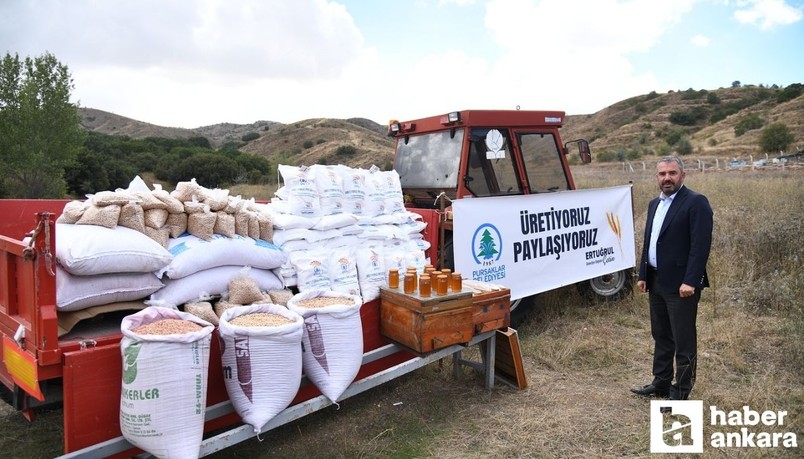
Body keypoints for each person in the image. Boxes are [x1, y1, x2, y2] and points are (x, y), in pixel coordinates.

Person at [630, 156, 713, 401]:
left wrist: (691, 280)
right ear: (657, 177)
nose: (667, 178)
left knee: (683, 338)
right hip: (656, 281)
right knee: (661, 334)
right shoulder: (655, 204)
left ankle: (681, 391)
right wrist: (644, 274)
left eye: (672, 173)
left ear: (682, 176)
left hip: (681, 286)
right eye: (662, 174)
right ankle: (662, 382)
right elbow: (650, 241)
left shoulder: (696, 202)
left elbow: (700, 246)